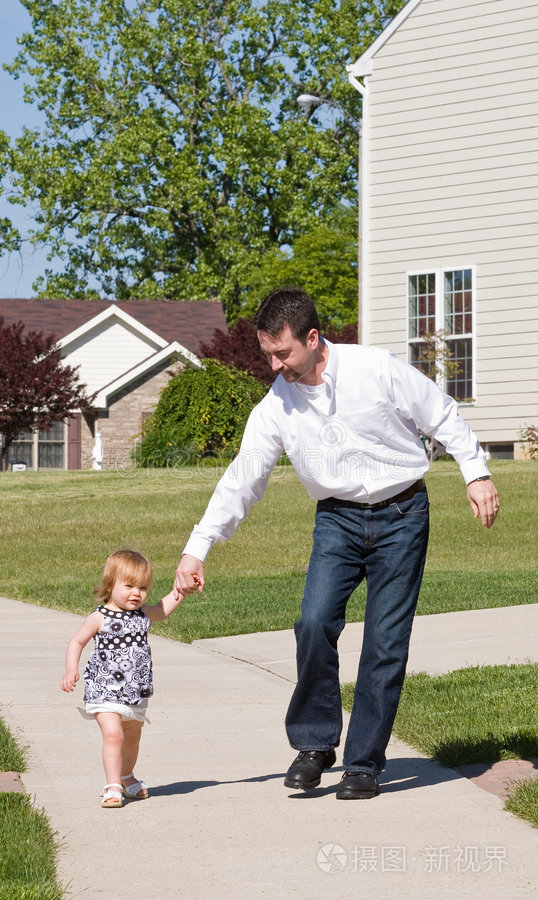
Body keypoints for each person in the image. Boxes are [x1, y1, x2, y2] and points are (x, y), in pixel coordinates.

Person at [174, 287, 499, 800]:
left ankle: (363, 763)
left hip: (402, 513)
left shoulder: (374, 369)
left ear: (313, 338)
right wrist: (199, 547)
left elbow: (440, 412)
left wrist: (475, 473)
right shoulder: (276, 406)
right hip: (338, 522)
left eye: (283, 354)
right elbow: (244, 478)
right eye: (268, 356)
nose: (276, 366)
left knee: (385, 642)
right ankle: (314, 743)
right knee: (313, 620)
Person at [61, 549, 186, 808]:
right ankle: (112, 786)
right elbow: (77, 641)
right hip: (104, 689)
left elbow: (162, 610)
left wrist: (181, 592)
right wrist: (71, 669)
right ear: (110, 585)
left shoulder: (143, 615)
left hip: (135, 690)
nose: (136, 593)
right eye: (128, 586)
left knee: (132, 738)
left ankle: (127, 776)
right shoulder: (99, 617)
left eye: (142, 587)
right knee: (114, 735)